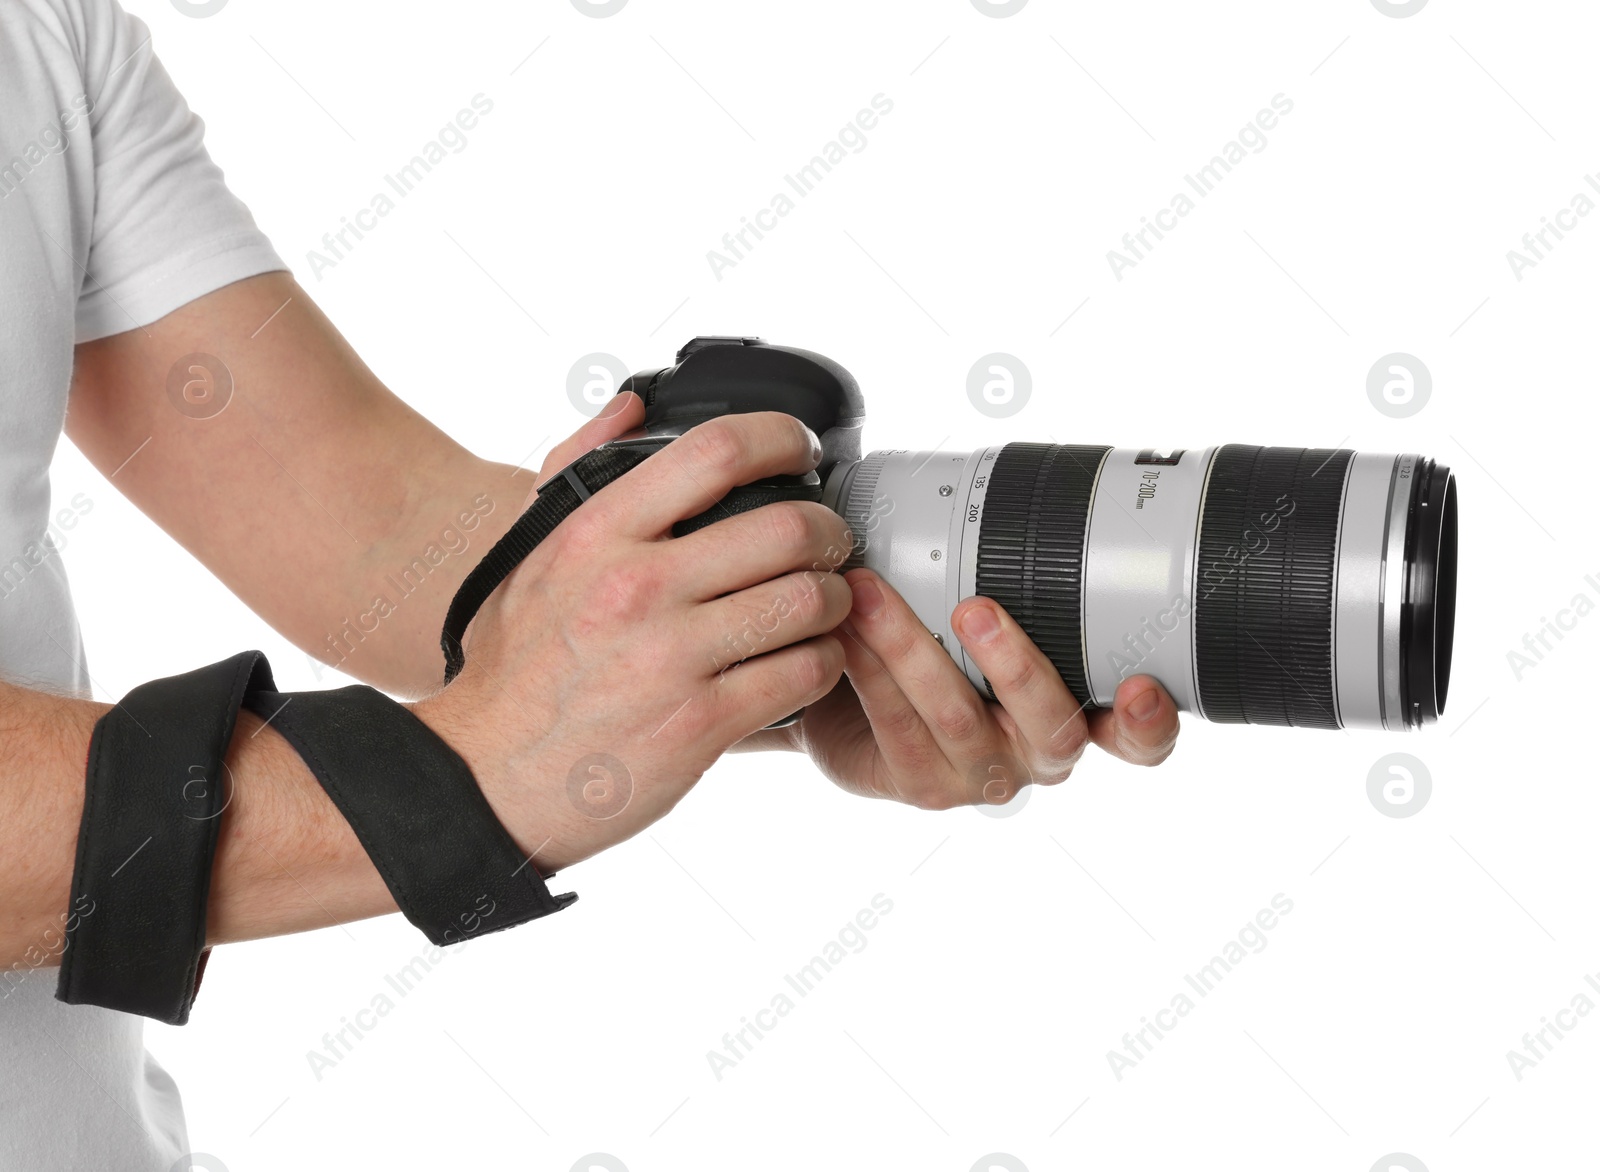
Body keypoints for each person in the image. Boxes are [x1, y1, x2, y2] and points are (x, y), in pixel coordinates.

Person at [0, 1, 1180, 1166]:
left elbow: (384, 536)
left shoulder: (45, 34)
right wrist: (466, 771)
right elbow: (503, 713)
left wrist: (802, 640)